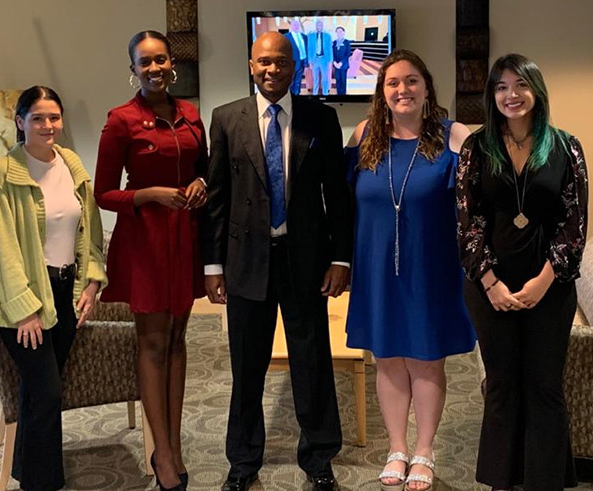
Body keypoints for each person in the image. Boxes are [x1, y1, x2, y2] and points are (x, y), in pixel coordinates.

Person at [203, 31, 353, 491]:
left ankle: (319, 456)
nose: (272, 70)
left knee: (312, 359)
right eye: (264, 62)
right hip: (246, 259)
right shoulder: (226, 118)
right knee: (247, 364)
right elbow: (217, 199)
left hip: (306, 258)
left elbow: (337, 195)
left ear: (296, 67)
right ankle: (243, 462)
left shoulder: (321, 119)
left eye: (282, 62)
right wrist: (213, 267)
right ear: (251, 65)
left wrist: (341, 258)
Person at [344, 49, 477, 491]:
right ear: (382, 92)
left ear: (426, 87)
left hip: (431, 268)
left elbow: (480, 199)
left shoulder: (453, 135)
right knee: (386, 360)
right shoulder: (364, 135)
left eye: (411, 81)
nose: (402, 90)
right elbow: (341, 202)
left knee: (425, 360)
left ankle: (424, 449)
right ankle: (396, 447)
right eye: (392, 83)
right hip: (376, 268)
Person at [457, 53, 589, 491]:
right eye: (500, 87)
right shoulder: (476, 148)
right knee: (501, 384)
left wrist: (542, 281)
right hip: (489, 288)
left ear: (536, 91)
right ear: (491, 95)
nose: (510, 95)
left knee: (544, 385)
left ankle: (545, 481)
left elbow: (574, 224)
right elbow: (468, 221)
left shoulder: (566, 146)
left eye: (520, 85)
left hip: (550, 287)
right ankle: (501, 481)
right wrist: (490, 281)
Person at [94, 30, 208, 491]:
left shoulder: (190, 114)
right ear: (134, 68)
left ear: (171, 63)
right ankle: (161, 452)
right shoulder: (121, 120)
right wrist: (149, 194)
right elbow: (104, 192)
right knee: (154, 343)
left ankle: (174, 445)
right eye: (145, 62)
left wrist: (201, 182)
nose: (155, 68)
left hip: (186, 235)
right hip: (144, 239)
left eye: (161, 60)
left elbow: (202, 165)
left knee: (179, 339)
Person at [0, 86, 107, 491]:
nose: (47, 126)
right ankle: (44, 482)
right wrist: (25, 309)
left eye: (54, 117)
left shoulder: (70, 163)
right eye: (37, 118)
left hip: (68, 293)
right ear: (20, 122)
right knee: (48, 392)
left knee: (38, 393)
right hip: (26, 303)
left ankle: (26, 472)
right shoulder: (3, 174)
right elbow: (1, 248)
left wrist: (91, 282)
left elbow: (90, 226)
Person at [307, 19, 333, 95]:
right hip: (315, 60)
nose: (319, 26)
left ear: (322, 26)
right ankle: (315, 94)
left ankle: (325, 93)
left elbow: (330, 48)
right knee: (315, 78)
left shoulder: (327, 36)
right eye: (318, 25)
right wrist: (310, 61)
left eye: (320, 25)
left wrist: (330, 60)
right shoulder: (311, 36)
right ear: (316, 26)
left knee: (325, 79)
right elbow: (309, 49)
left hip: (324, 60)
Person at [284, 19, 308, 95]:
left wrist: (306, 63)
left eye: (297, 25)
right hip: (292, 63)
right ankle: (291, 98)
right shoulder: (286, 37)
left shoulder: (304, 37)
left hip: (302, 62)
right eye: (294, 25)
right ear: (291, 26)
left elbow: (306, 49)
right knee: (291, 82)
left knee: (298, 81)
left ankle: (297, 96)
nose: (296, 26)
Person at [331, 27, 352, 95]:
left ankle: (343, 94)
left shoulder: (346, 42)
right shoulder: (334, 42)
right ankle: (338, 93)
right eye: (337, 32)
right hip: (336, 64)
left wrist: (341, 63)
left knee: (343, 79)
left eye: (340, 31)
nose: (339, 33)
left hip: (344, 65)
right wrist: (334, 62)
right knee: (337, 79)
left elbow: (347, 54)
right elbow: (332, 53)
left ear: (343, 32)